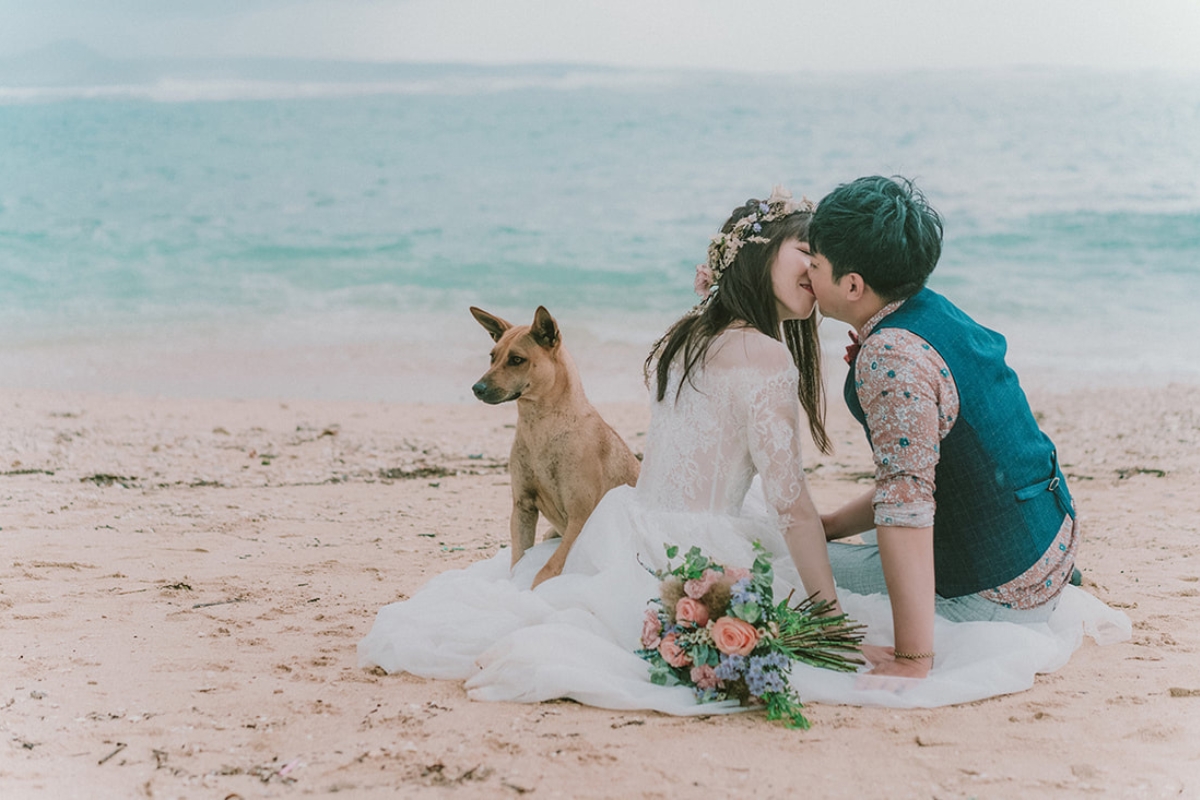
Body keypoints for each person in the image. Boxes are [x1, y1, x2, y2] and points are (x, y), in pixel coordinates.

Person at [357, 187, 845, 714]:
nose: (820, 268)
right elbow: (790, 507)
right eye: (808, 252)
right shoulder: (766, 358)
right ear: (762, 251)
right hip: (697, 545)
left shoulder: (681, 339)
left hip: (626, 529)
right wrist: (831, 619)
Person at [804, 175, 1121, 680]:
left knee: (787, 567)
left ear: (852, 285)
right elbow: (919, 474)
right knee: (816, 541)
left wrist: (912, 659)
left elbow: (905, 507)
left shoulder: (890, 355)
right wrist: (830, 528)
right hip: (1044, 543)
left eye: (814, 264)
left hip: (999, 590)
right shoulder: (929, 308)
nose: (806, 272)